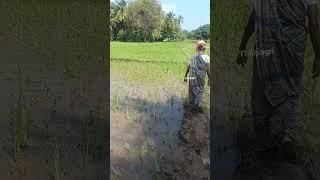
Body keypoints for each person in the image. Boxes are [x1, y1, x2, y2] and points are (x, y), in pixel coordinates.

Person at [236, 0, 320, 161]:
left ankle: (266, 141)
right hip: (294, 47)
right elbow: (314, 23)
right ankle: (287, 135)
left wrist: (242, 46)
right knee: (290, 90)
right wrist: (318, 54)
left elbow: (255, 17)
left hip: (266, 44)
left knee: (263, 88)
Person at [184, 40, 210, 112]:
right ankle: (195, 107)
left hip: (191, 78)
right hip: (200, 78)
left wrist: (185, 76)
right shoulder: (206, 57)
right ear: (204, 49)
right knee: (200, 92)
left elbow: (189, 67)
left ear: (197, 49)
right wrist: (210, 79)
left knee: (191, 91)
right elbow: (208, 69)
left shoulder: (193, 57)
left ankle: (191, 106)